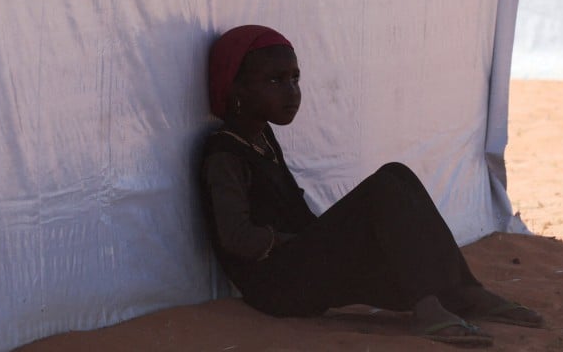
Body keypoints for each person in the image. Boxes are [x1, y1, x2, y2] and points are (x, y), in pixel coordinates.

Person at [199, 25, 543, 347]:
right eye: (275, 80)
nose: (292, 92)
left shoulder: (262, 137)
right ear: (236, 88)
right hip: (275, 286)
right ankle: (427, 308)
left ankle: (465, 291)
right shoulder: (224, 154)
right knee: (383, 190)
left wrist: (324, 239)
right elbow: (236, 238)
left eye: (295, 78)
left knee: (399, 178)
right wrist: (303, 241)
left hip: (297, 263)